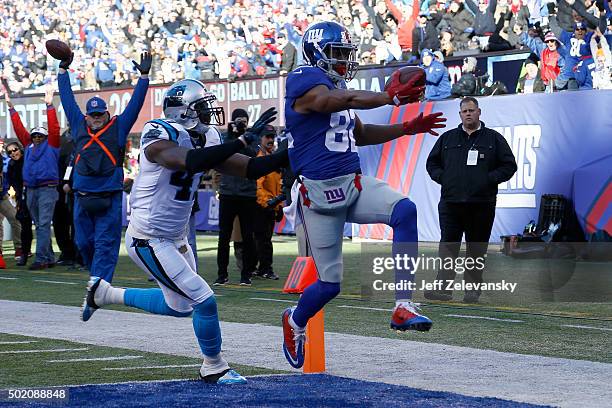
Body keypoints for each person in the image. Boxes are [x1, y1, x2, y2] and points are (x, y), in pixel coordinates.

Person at [80, 79, 289, 384]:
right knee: (204, 300)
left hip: (175, 236)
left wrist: (295, 151)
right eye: (203, 108)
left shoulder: (209, 136)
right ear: (184, 112)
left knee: (178, 307)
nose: (210, 114)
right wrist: (240, 141)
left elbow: (250, 168)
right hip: (147, 237)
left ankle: (104, 293)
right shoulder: (159, 132)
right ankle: (214, 366)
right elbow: (187, 160)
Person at [281, 21, 447, 369]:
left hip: (352, 183)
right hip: (318, 198)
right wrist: (389, 97)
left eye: (346, 54)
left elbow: (362, 132)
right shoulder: (304, 80)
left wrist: (406, 127)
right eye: (338, 54)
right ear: (317, 54)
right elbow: (333, 100)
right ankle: (295, 321)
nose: (344, 61)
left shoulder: (338, 90)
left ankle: (403, 304)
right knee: (329, 286)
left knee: (405, 211)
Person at [57, 51, 150, 284]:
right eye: (93, 114)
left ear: (107, 113)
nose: (97, 117)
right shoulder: (78, 124)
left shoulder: (119, 126)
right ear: (87, 116)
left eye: (100, 113)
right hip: (82, 196)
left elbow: (135, 105)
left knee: (105, 244)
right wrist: (62, 71)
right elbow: (67, 99)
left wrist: (144, 77)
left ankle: (100, 284)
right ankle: (95, 276)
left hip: (109, 196)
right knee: (83, 243)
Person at [425, 97, 517, 303]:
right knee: (448, 247)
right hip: (451, 203)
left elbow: (509, 165)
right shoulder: (447, 139)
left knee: (476, 248)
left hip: (481, 204)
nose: (468, 113)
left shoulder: (494, 139)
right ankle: (443, 289)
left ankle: (472, 291)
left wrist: (489, 179)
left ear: (479, 112)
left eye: (471, 110)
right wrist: (444, 179)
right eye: (464, 111)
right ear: (459, 115)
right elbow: (432, 163)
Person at [4, 85, 58, 270]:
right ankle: (49, 257)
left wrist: (50, 106)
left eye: (40, 136)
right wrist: (11, 108)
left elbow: (54, 127)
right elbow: (19, 129)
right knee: (40, 225)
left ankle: (42, 258)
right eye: (34, 136)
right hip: (31, 189)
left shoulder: (52, 145)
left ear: (45, 137)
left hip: (47, 188)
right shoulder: (28, 147)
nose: (36, 138)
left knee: (42, 224)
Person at [214, 108, 259, 286]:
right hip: (227, 193)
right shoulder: (226, 137)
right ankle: (221, 274)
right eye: (238, 121)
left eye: (244, 121)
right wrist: (233, 136)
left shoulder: (252, 137)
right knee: (223, 236)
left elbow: (252, 155)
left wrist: (243, 137)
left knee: (248, 236)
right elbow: (222, 153)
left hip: (247, 194)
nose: (241, 124)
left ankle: (246, 274)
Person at [253, 125, 282, 280]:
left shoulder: (271, 157)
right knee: (263, 240)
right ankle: (265, 269)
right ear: (261, 138)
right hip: (261, 206)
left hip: (270, 205)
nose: (271, 139)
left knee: (263, 239)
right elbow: (258, 185)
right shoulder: (261, 158)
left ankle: (260, 268)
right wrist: (268, 203)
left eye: (272, 137)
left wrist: (278, 206)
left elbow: (277, 185)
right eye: (267, 137)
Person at [5, 141, 32, 266]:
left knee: (41, 226)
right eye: (9, 152)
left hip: (34, 194)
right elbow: (11, 183)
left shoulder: (28, 159)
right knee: (25, 226)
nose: (13, 153)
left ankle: (46, 255)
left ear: (20, 149)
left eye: (14, 150)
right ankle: (24, 254)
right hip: (22, 197)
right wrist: (15, 197)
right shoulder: (11, 165)